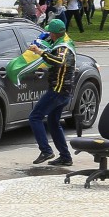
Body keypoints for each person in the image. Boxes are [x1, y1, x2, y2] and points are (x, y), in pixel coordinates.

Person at [28, 19, 76, 166]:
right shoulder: (64, 41)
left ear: (54, 34)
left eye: (50, 32)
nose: (49, 34)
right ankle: (65, 157)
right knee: (53, 122)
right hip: (64, 91)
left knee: (35, 117)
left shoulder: (63, 47)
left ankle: (46, 150)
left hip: (58, 91)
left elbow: (59, 61)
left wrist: (40, 52)